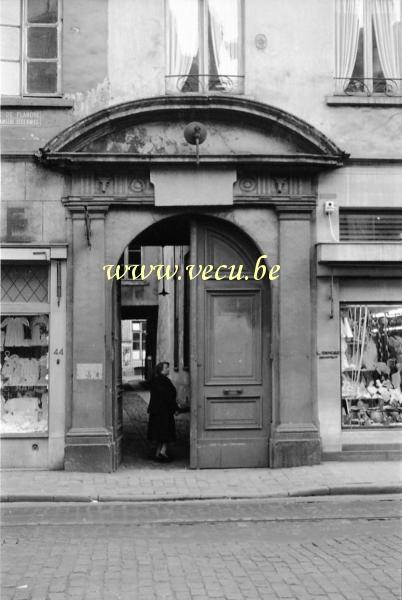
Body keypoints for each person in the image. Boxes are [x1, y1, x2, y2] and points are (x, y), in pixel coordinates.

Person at [147, 361, 180, 462]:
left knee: (159, 433)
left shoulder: (154, 380)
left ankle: (158, 452)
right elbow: (168, 398)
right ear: (161, 370)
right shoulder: (165, 382)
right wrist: (176, 408)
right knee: (166, 433)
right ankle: (163, 452)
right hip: (164, 412)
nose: (168, 370)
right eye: (166, 368)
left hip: (155, 411)